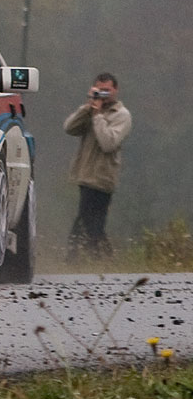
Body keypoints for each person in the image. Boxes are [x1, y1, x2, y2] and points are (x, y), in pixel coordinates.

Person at [64, 72, 132, 261]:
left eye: (107, 91)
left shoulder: (121, 115)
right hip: (85, 174)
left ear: (115, 90)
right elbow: (69, 128)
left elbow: (108, 142)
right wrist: (88, 109)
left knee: (91, 222)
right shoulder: (92, 110)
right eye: (99, 91)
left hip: (103, 178)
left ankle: (81, 257)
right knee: (89, 222)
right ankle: (94, 257)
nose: (103, 95)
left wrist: (97, 117)